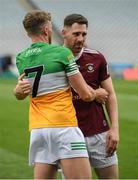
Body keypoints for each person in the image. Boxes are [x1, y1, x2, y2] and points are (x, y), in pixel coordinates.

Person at [13, 10, 100, 179]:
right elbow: (86, 95)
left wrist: (16, 92)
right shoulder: (62, 54)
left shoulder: (21, 58)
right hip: (63, 126)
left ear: (27, 32)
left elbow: (22, 91)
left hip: (38, 130)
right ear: (46, 30)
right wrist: (98, 93)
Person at [61, 14, 119, 179]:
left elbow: (111, 94)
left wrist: (114, 129)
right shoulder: (54, 60)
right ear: (64, 32)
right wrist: (94, 94)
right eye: (76, 34)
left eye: (84, 34)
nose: (81, 39)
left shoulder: (96, 58)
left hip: (99, 133)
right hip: (68, 134)